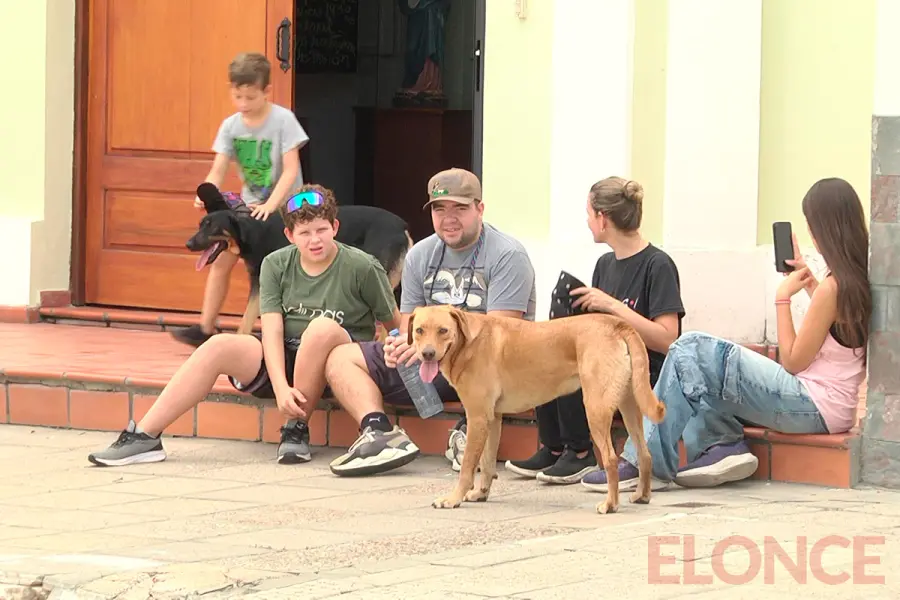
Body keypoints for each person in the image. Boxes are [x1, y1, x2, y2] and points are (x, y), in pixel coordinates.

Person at [583, 176, 871, 491]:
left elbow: (792, 361)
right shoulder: (851, 279)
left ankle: (643, 462)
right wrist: (810, 281)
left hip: (812, 406)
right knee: (697, 370)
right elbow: (834, 328)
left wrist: (782, 298)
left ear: (824, 228)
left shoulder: (833, 288)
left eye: (811, 224)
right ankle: (722, 446)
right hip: (829, 407)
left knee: (691, 347)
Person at [88, 185, 401, 467]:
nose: (315, 240)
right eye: (304, 232)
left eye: (321, 229)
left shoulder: (362, 266)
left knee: (321, 328)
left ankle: (296, 427)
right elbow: (272, 329)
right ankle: (144, 436)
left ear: (335, 227)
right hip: (285, 355)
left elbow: (395, 324)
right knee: (218, 344)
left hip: (335, 362)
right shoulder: (275, 264)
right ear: (290, 235)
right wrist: (280, 387)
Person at [323, 167, 537, 476]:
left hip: (483, 366)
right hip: (428, 358)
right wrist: (401, 344)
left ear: (479, 209)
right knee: (341, 358)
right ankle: (379, 433)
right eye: (439, 209)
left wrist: (434, 347)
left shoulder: (507, 254)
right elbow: (409, 322)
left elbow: (502, 336)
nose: (448, 218)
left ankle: (469, 430)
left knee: (489, 361)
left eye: (459, 208)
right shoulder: (420, 254)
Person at [505, 177, 685, 485]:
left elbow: (668, 340)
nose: (587, 222)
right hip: (609, 360)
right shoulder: (605, 263)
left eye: (589, 214)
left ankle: (580, 453)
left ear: (603, 219)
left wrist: (612, 306)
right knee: (550, 352)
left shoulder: (657, 264)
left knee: (577, 368)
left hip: (644, 366)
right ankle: (555, 446)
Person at [173, 52, 309, 348]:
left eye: (251, 97)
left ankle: (285, 332)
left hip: (288, 209)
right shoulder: (230, 126)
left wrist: (272, 206)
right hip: (249, 210)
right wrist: (205, 192)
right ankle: (206, 327)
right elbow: (218, 169)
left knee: (285, 269)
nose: (244, 104)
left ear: (266, 91)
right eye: (238, 97)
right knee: (222, 259)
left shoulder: (283, 121)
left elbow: (291, 170)